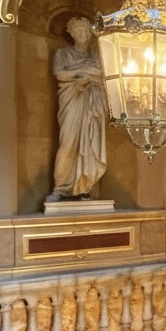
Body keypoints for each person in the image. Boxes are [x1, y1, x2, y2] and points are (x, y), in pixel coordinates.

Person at [46, 16, 107, 202]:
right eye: (80, 30)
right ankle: (60, 187)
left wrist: (79, 74)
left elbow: (101, 72)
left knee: (89, 143)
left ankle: (84, 186)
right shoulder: (62, 53)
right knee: (69, 142)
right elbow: (59, 74)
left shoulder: (96, 54)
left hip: (93, 101)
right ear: (71, 33)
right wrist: (83, 73)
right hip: (71, 100)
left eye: (87, 31)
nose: (84, 34)